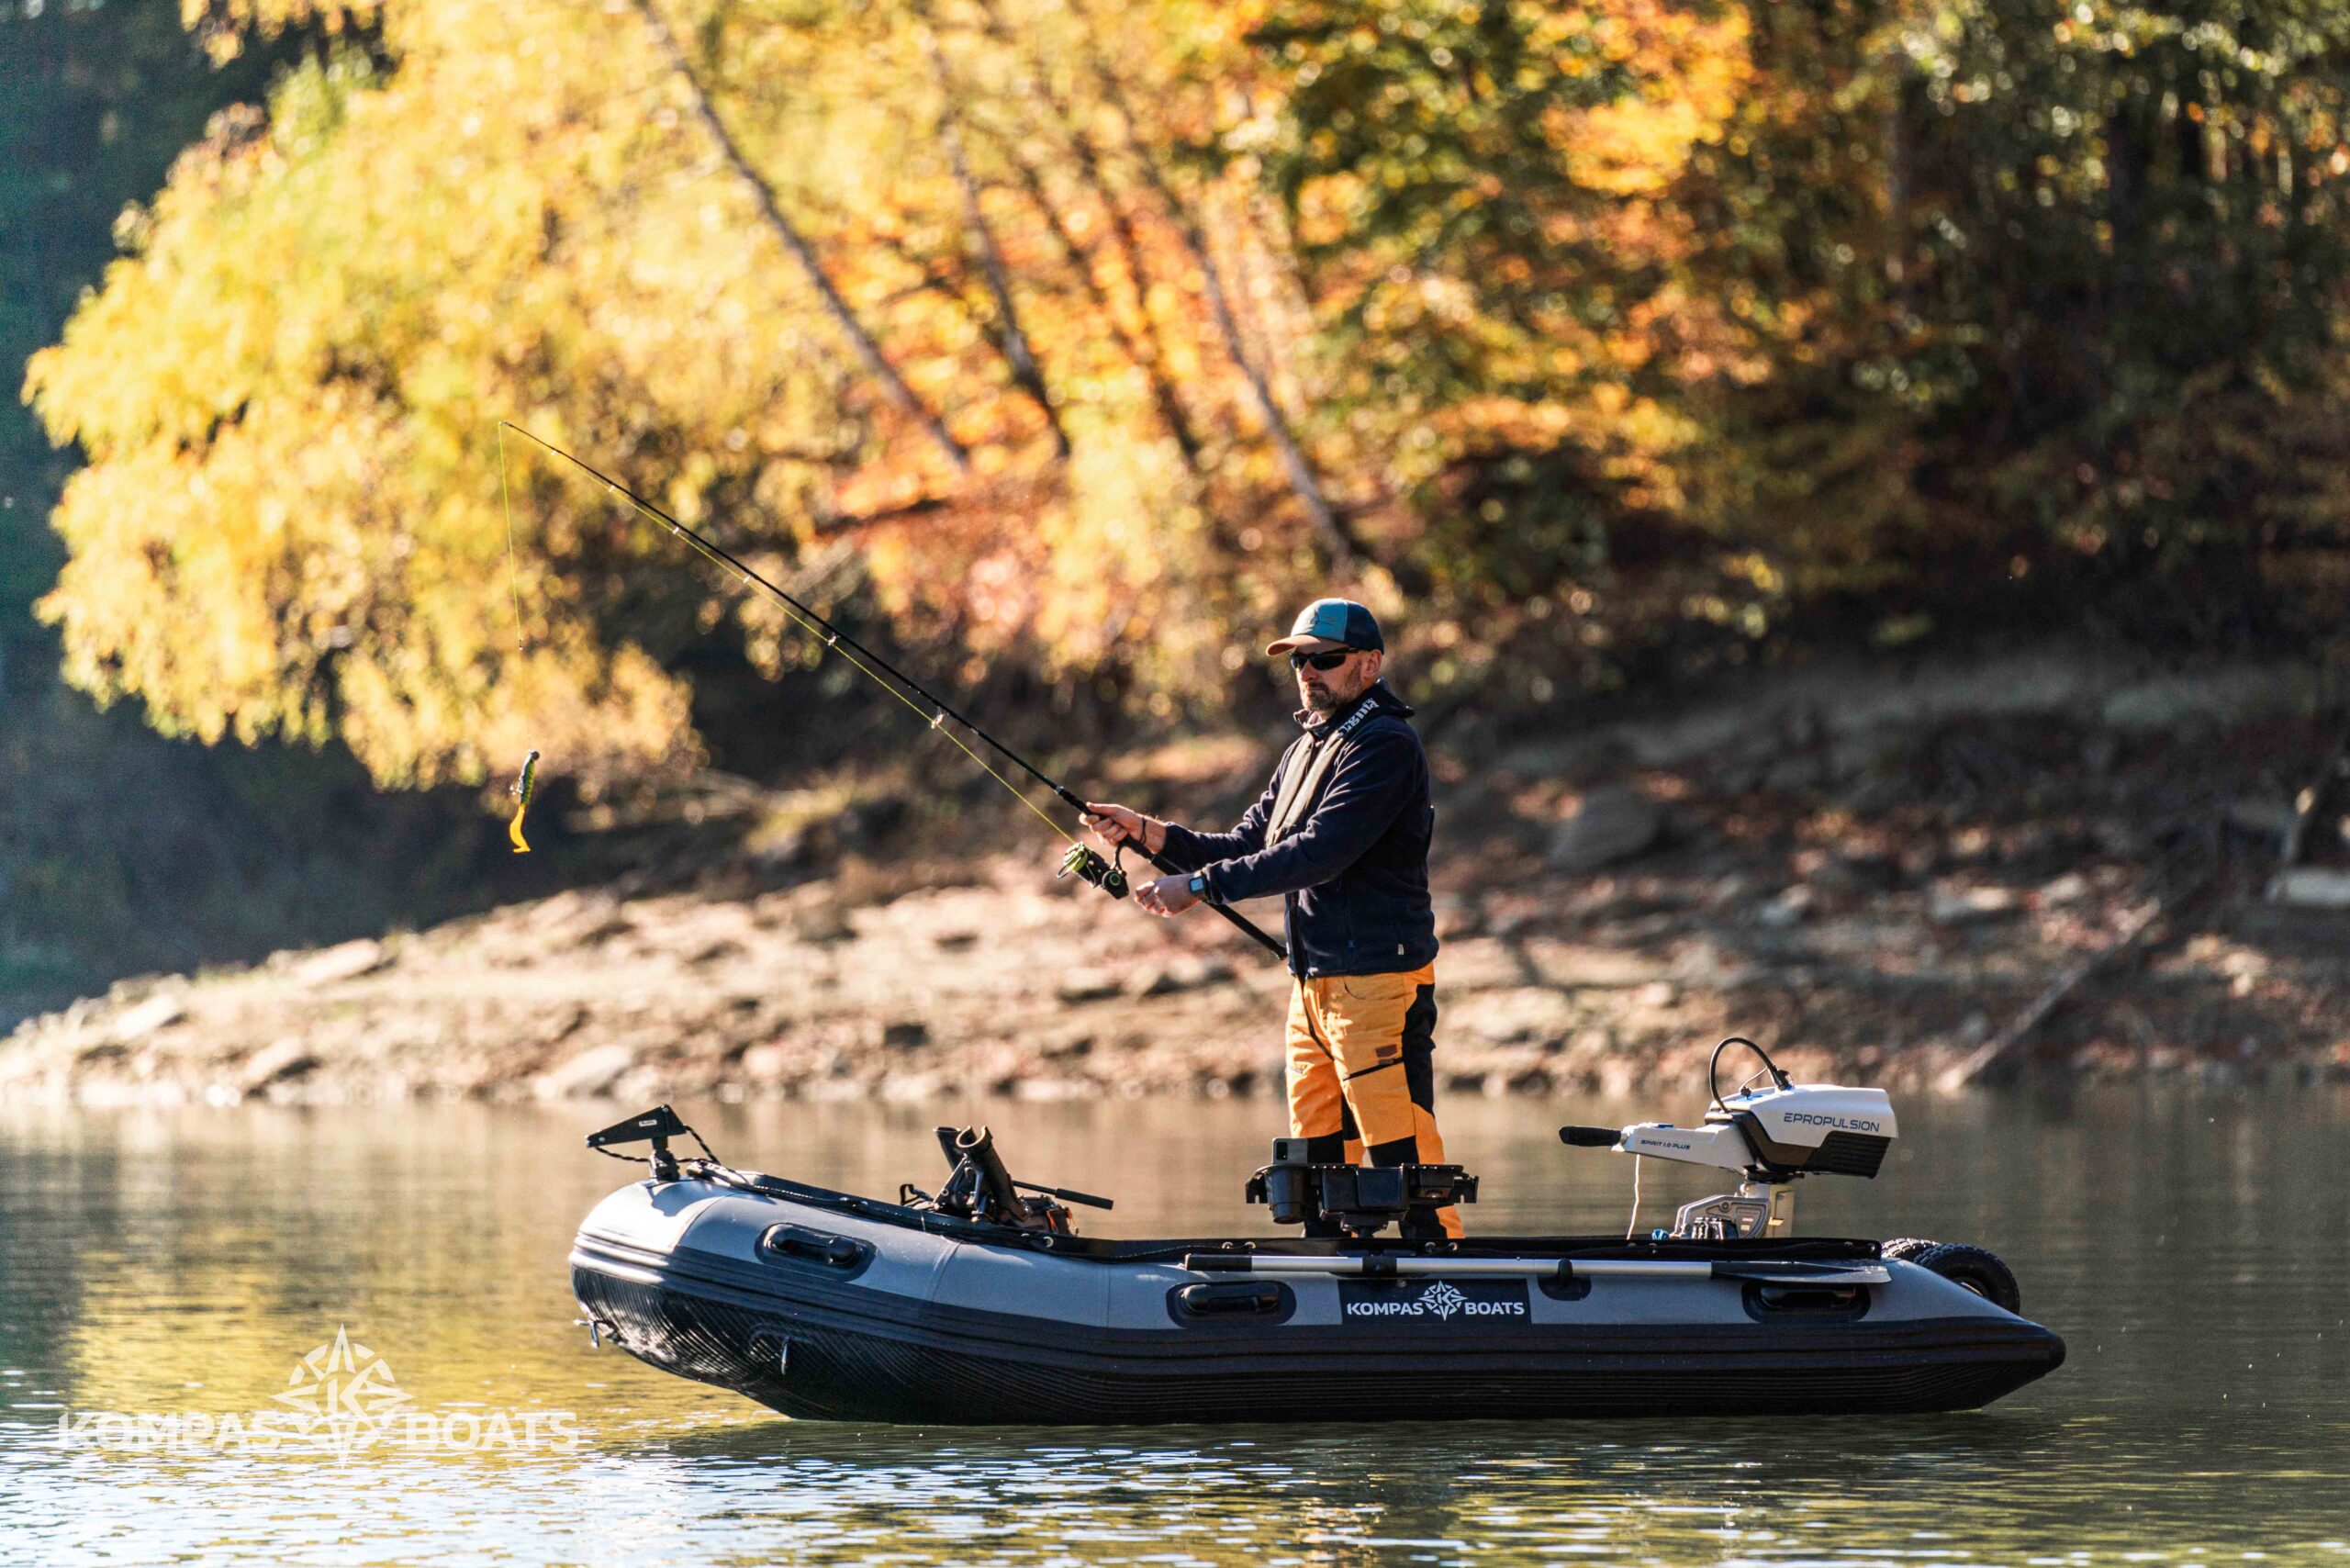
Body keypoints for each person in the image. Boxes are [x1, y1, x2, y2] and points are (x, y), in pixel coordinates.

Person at [1082, 598, 1460, 1239]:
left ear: (1370, 664)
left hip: (1377, 983)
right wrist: (1147, 832)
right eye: (1298, 662)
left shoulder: (1385, 745)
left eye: (1325, 659)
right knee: (1317, 1159)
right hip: (1312, 986)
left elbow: (1319, 854)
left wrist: (1199, 887)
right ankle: (1333, 1261)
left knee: (1401, 1150)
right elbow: (1246, 844)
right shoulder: (1305, 749)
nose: (1308, 672)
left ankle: (1442, 1260)